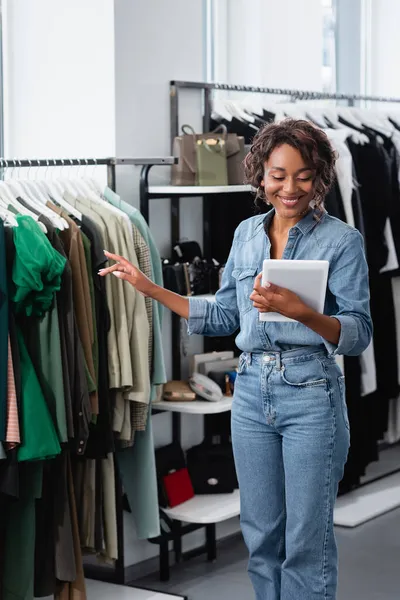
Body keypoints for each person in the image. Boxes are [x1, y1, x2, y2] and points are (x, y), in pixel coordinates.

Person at [99, 118, 372, 600]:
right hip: (249, 395)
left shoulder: (341, 241)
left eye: (304, 175)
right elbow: (225, 312)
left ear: (321, 177)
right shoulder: (247, 234)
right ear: (260, 175)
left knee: (306, 542)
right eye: (278, 175)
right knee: (261, 536)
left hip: (311, 395)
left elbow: (358, 334)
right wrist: (149, 287)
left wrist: (302, 313)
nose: (290, 188)